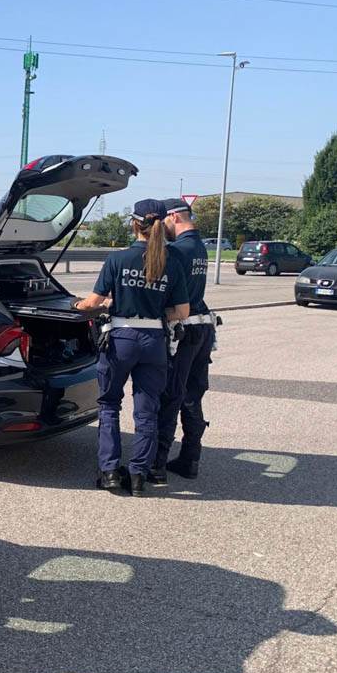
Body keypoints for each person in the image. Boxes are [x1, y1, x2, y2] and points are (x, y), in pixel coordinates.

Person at [72, 199, 190, 497]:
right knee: (147, 411)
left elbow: (93, 303)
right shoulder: (172, 262)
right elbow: (183, 311)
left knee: (110, 405)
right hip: (154, 344)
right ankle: (138, 476)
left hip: (121, 340)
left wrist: (78, 305)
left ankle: (110, 472)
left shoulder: (118, 259)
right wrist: (155, 313)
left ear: (134, 224)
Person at [153, 197, 217, 481]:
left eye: (164, 221)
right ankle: (191, 457)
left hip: (183, 330)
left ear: (174, 217)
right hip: (203, 328)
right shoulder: (200, 247)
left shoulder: (177, 251)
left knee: (171, 394)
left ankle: (157, 463)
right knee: (193, 393)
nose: (162, 226)